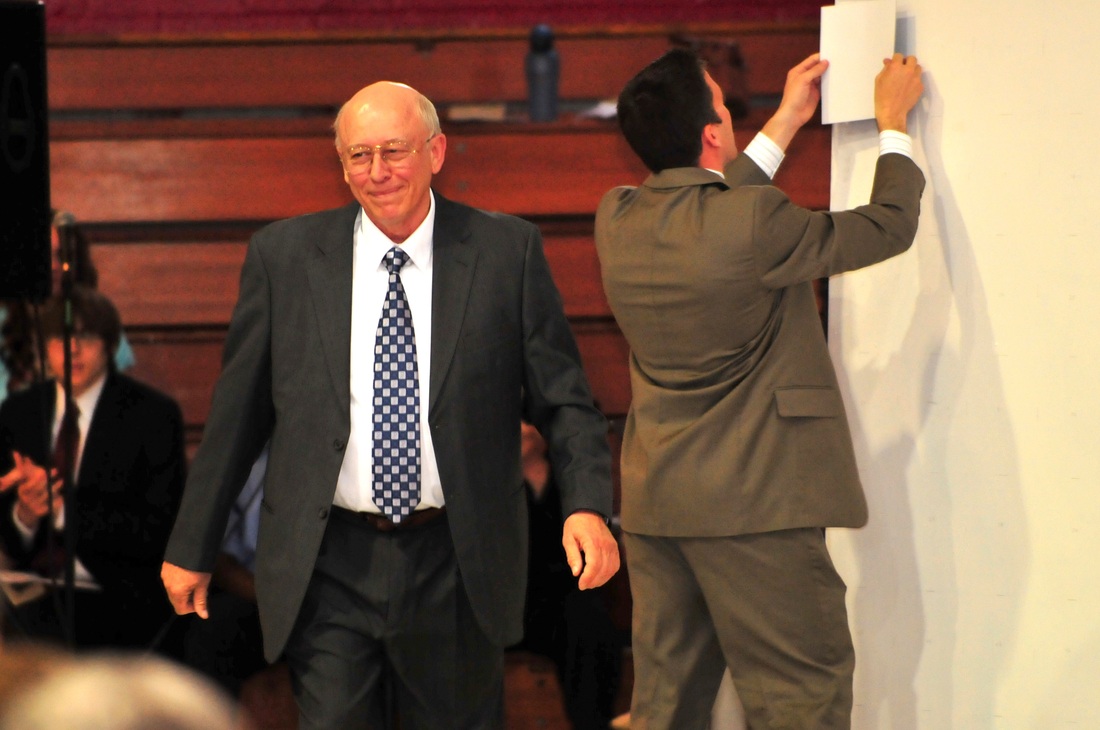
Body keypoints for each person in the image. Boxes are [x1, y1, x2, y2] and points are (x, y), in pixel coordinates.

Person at [161, 80, 620, 730]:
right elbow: (237, 416)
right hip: (329, 559)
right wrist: (193, 544)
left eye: (394, 151)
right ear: (342, 163)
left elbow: (567, 401)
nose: (377, 172)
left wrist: (588, 507)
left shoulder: (504, 252)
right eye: (359, 154)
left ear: (436, 152)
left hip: (458, 559)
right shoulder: (285, 258)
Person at [594, 50, 925, 729]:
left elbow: (708, 208)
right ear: (712, 132)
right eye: (722, 105)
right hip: (757, 505)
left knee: (665, 709)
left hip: (659, 507)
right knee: (800, 701)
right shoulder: (752, 221)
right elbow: (887, 224)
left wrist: (786, 121)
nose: (728, 113)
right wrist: (893, 124)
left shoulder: (617, 216)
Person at [0, 286, 185, 651]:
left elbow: (156, 532)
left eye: (85, 337)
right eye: (59, 339)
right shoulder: (19, 413)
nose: (72, 350)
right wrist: (25, 515)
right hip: (30, 588)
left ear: (110, 345)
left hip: (114, 590)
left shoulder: (151, 416)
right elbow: (8, 531)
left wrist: (62, 510)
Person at [513, 422, 622, 730]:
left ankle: (593, 722)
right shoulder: (492, 487)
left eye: (528, 422)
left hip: (564, 597)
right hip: (513, 599)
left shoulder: (573, 483)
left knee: (588, 619)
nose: (521, 431)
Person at [1, 209, 135, 403]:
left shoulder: (97, 319)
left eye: (61, 256)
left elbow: (120, 397)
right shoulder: (3, 321)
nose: (54, 266)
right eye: (44, 256)